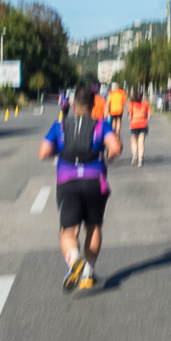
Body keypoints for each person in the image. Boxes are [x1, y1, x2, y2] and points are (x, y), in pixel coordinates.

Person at [39, 83, 121, 292]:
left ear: (73, 103)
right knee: (93, 226)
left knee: (68, 231)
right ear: (94, 104)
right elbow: (116, 147)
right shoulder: (101, 125)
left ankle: (74, 261)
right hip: (95, 182)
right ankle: (87, 273)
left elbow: (43, 153)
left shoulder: (59, 126)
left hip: (68, 182)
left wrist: (60, 153)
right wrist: (108, 159)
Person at [127, 90, 150, 166]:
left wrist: (130, 117)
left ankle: (134, 156)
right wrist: (146, 117)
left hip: (134, 125)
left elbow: (129, 116)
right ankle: (140, 160)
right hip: (143, 125)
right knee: (141, 142)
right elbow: (149, 115)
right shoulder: (145, 103)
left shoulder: (131, 104)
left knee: (133, 142)